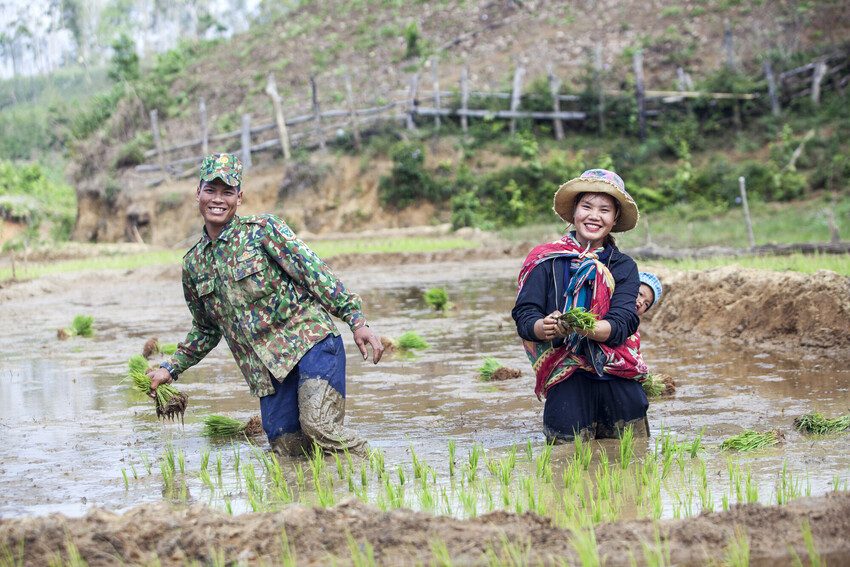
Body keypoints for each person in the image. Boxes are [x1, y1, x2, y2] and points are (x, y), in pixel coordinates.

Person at [148, 153, 383, 456]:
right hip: (268, 371)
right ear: (198, 193)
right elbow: (206, 330)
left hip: (311, 344)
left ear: (239, 197)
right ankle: (316, 500)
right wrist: (170, 368)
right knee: (286, 448)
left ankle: (372, 470)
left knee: (319, 427)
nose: (218, 199)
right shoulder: (194, 264)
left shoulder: (263, 231)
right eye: (210, 190)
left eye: (227, 191)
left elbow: (315, 274)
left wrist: (356, 320)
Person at [511, 168, 648, 443]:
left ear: (615, 218)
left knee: (633, 455)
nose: (594, 216)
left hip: (616, 371)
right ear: (574, 211)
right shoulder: (546, 260)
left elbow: (623, 323)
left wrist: (580, 326)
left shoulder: (622, 266)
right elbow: (525, 315)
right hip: (565, 371)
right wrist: (546, 327)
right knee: (565, 456)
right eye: (586, 206)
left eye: (605, 210)